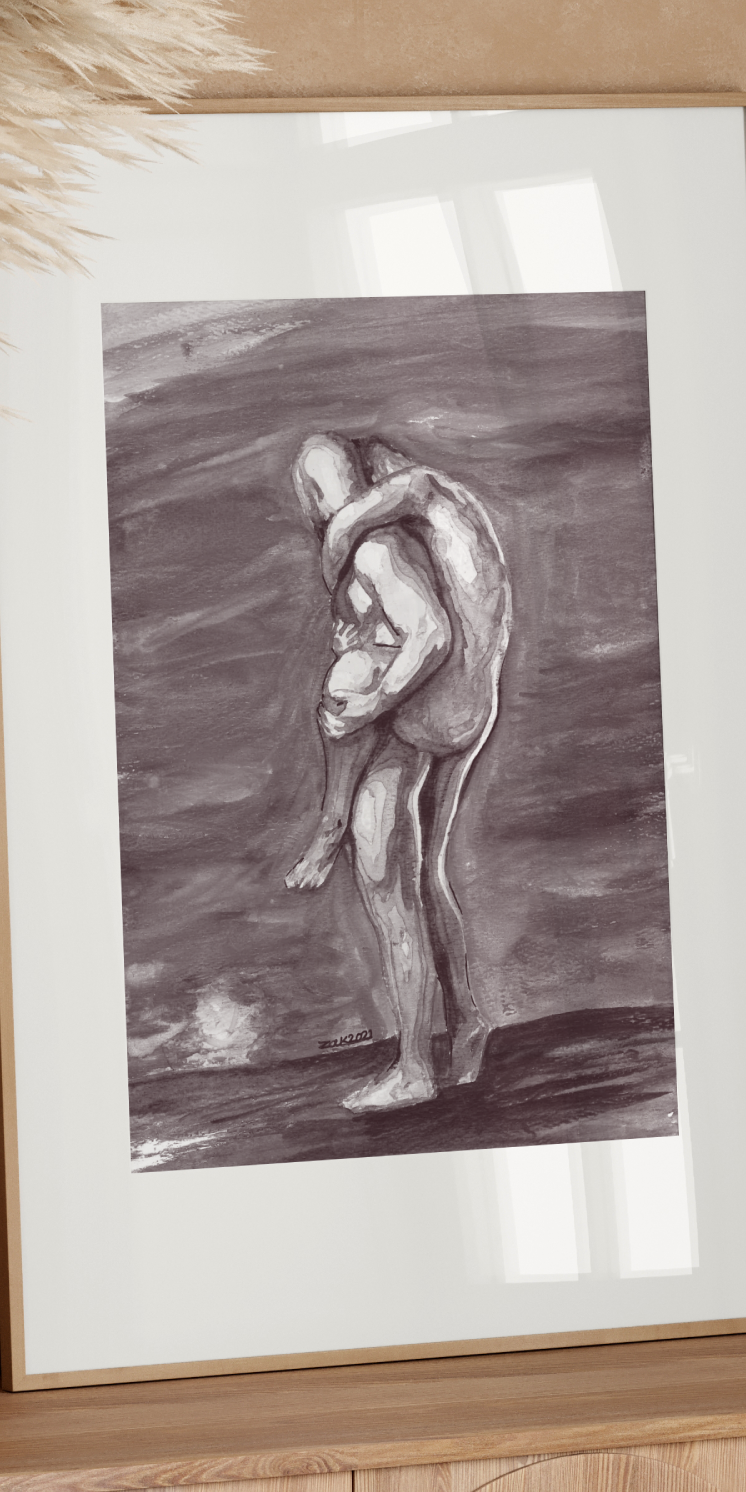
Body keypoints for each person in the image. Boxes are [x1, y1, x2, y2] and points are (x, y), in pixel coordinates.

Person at [284, 433, 512, 1112]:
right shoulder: (436, 524)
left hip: (429, 710)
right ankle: (468, 1021)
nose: (323, 515)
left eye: (323, 495)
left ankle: (414, 1069)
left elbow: (432, 633)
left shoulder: (385, 536)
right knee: (429, 871)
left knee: (382, 868)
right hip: (469, 710)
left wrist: (371, 702)